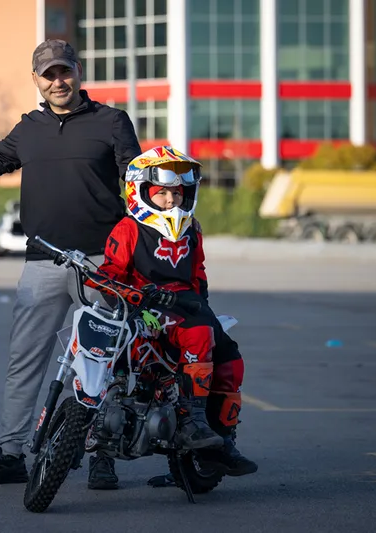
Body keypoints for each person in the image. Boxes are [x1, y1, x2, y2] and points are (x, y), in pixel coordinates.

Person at [0, 39, 142, 489]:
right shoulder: (28, 128)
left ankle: (100, 455)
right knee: (24, 361)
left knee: (102, 362)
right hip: (43, 262)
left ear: (78, 71)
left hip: (102, 265)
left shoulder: (112, 122)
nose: (58, 81)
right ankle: (11, 453)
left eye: (64, 72)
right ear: (36, 79)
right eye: (48, 75)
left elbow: (136, 181)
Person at [94, 145, 258, 484]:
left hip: (188, 306)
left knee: (230, 357)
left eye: (178, 193)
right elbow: (110, 273)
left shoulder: (192, 229)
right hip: (143, 305)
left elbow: (198, 274)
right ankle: (184, 424)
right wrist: (121, 296)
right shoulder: (128, 228)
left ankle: (221, 443)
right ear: (141, 191)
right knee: (116, 376)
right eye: (163, 192)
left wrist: (204, 306)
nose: (172, 200)